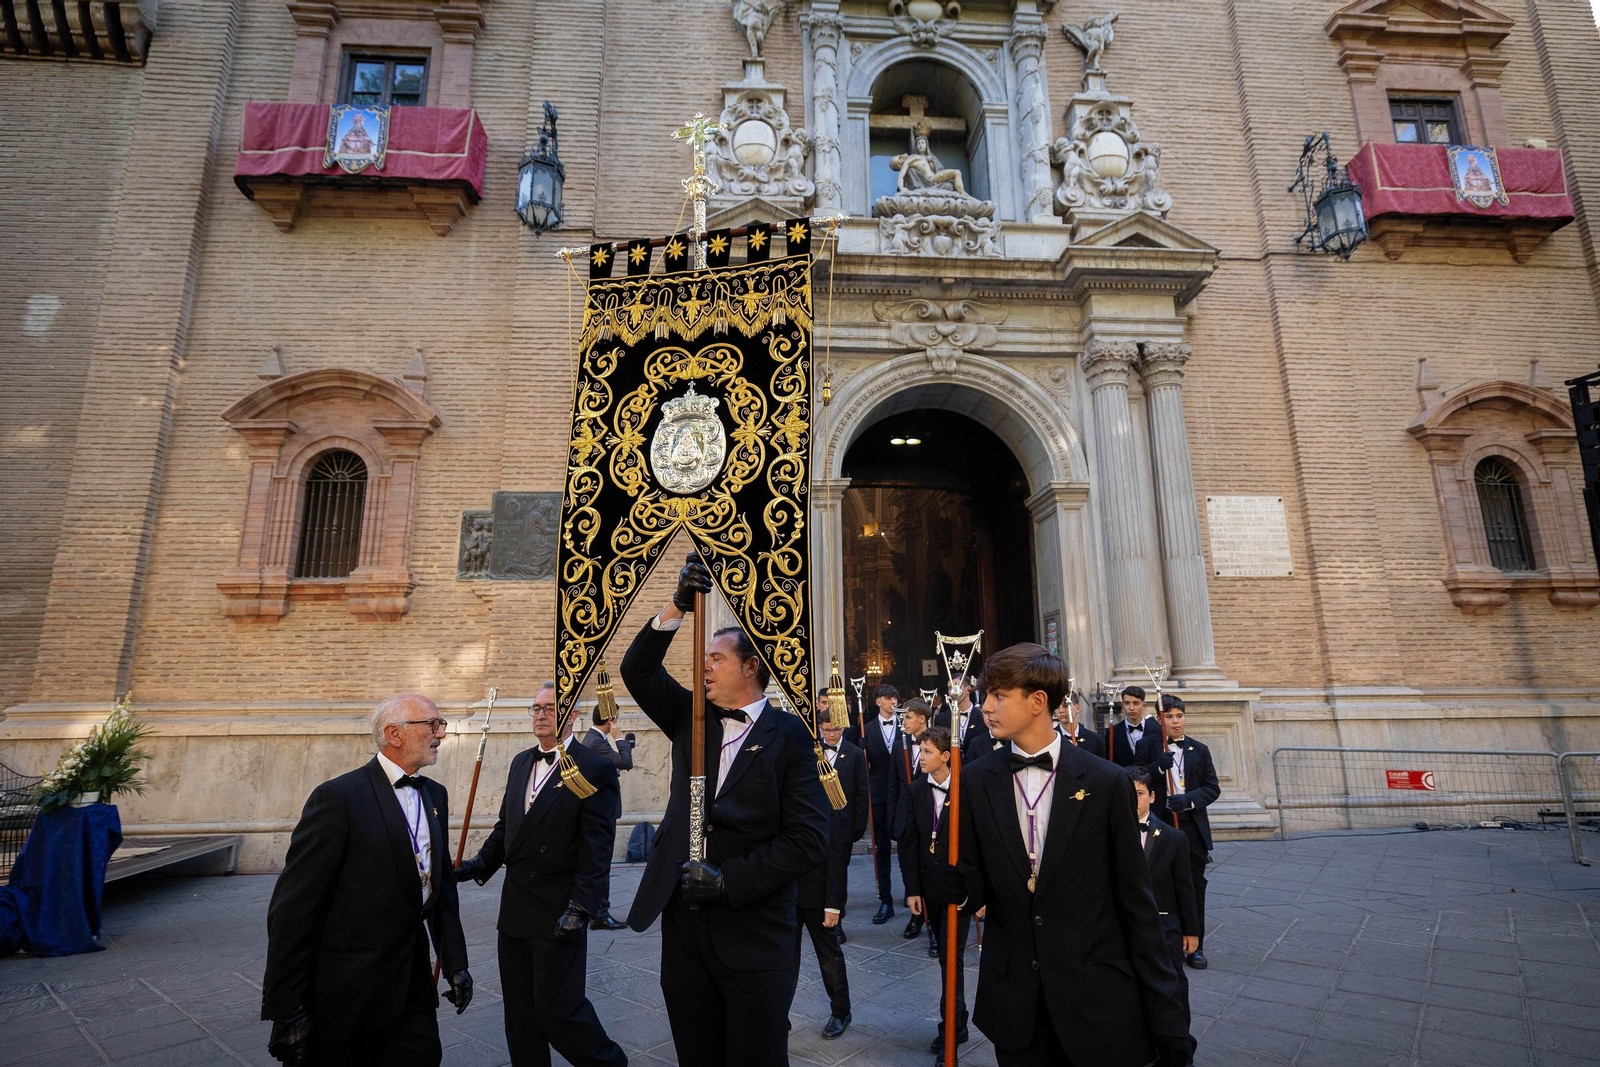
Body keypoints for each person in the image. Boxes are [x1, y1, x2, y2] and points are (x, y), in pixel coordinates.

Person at [934, 644, 1192, 1067]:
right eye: (986, 696)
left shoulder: (1107, 783)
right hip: (1016, 1003)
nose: (985, 707)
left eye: (998, 695)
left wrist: (1169, 1018)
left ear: (1038, 701)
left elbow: (1136, 903)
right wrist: (959, 892)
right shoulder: (975, 782)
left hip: (1096, 998)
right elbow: (976, 884)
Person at [619, 552, 830, 1067]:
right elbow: (636, 670)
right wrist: (676, 609)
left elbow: (808, 839)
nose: (703, 666)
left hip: (754, 934)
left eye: (716, 659)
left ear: (751, 666)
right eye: (705, 658)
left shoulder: (792, 738)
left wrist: (729, 880)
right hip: (685, 929)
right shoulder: (691, 717)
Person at [261, 694, 472, 1067]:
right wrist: (286, 1009)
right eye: (433, 725)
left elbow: (439, 887)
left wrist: (455, 963)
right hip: (347, 994)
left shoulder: (435, 795)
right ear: (395, 734)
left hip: (413, 988)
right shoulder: (339, 798)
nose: (442, 733)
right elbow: (292, 909)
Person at [453, 683, 626, 1067]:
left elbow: (597, 847)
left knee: (558, 1011)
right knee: (520, 1017)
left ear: (573, 715)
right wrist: (476, 865)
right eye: (536, 708)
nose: (541, 714)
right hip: (515, 910)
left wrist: (582, 907)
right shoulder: (519, 762)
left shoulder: (594, 767)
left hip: (558, 911)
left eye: (551, 708)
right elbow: (507, 827)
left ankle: (608, 1063)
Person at [794, 694, 868, 1039]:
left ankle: (841, 1011)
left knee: (829, 955)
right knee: (782, 958)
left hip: (820, 890)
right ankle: (777, 1014)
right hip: (788, 892)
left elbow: (837, 861)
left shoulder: (832, 813)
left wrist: (833, 903)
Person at [899, 727, 972, 1063]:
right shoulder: (915, 790)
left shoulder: (968, 788)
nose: (920, 757)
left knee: (949, 959)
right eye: (919, 750)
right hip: (929, 890)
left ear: (946, 755)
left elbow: (978, 842)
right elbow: (909, 843)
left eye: (926, 751)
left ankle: (951, 1030)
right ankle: (958, 1022)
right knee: (946, 958)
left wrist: (979, 894)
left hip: (959, 892)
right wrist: (912, 889)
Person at [1142, 695, 1219, 971]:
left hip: (1191, 829)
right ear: (1160, 719)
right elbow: (1135, 778)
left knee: (1194, 888)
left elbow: (1212, 787)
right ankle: (1161, 942)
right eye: (1169, 716)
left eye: (1179, 716)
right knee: (1159, 886)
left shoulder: (1200, 749)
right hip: (1161, 826)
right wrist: (1156, 767)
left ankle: (1196, 946)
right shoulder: (1148, 746)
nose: (1175, 721)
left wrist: (1187, 800)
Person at [1129, 766, 1198, 1061]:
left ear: (1152, 796)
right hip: (1126, 927)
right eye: (1126, 795)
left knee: (1171, 986)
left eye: (1140, 794)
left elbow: (1185, 888)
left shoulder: (1172, 838)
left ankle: (1180, 1041)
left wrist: (1191, 931)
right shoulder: (1108, 834)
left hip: (1164, 927)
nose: (1134, 801)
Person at [844, 681, 901, 924]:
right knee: (882, 848)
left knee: (909, 847)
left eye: (895, 698)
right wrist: (860, 747)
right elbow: (860, 764)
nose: (893, 702)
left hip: (902, 794)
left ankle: (915, 894)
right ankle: (886, 900)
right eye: (888, 698)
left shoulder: (906, 726)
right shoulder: (865, 728)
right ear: (878, 701)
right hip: (877, 795)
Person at [581, 706, 635, 931]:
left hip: (598, 811)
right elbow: (625, 762)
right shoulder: (597, 741)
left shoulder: (593, 739)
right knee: (601, 863)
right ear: (611, 720)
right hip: (600, 812)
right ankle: (600, 913)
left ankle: (595, 910)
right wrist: (620, 738)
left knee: (597, 863)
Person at [890, 699, 932, 942]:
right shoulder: (899, 746)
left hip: (928, 815)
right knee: (908, 867)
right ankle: (916, 916)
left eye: (907, 717)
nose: (903, 722)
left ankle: (933, 921)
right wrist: (893, 820)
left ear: (922, 719)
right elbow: (893, 785)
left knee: (929, 866)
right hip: (905, 818)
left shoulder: (937, 742)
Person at [1106, 684, 1158, 767]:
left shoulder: (1157, 730)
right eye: (1127, 703)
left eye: (1136, 703)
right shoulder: (1112, 732)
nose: (1131, 708)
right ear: (1123, 705)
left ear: (1144, 705)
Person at [1053, 690, 1106, 759]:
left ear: (1077, 708)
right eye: (1057, 706)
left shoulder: (1095, 740)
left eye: (1066, 706)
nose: (1061, 710)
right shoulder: (1050, 739)